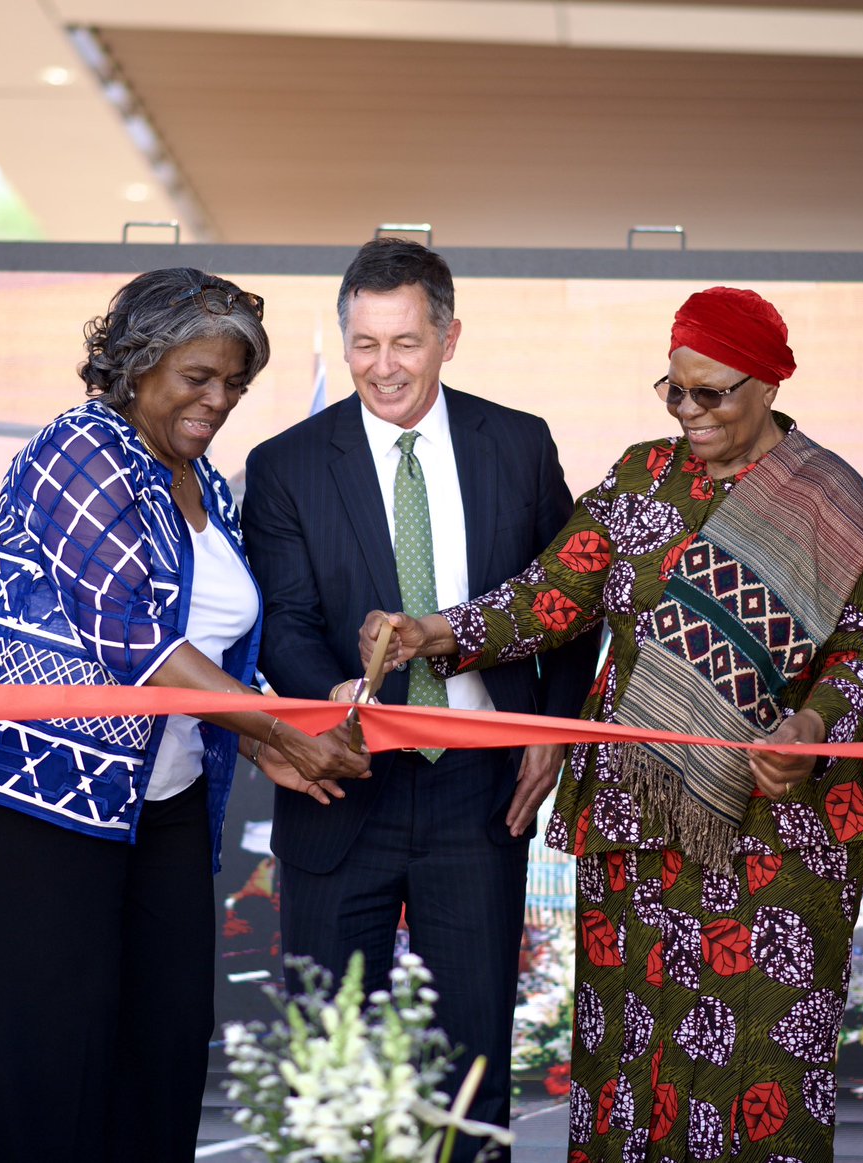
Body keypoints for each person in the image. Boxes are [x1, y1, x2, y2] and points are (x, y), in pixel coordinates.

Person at [362, 286, 863, 1162]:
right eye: (675, 390)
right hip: (641, 816)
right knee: (634, 1047)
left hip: (779, 824)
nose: (689, 412)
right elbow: (551, 597)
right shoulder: (641, 478)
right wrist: (431, 631)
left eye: (713, 393)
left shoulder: (826, 498)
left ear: (769, 384)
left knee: (758, 1060)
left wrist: (810, 723)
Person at [0, 268, 371, 1163]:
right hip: (30, 793)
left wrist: (270, 735)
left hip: (158, 797)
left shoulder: (208, 487)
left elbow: (221, 653)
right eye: (198, 376)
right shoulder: (80, 448)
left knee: (161, 1050)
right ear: (135, 361)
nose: (219, 399)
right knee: (47, 1062)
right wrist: (277, 732)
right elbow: (135, 641)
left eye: (234, 382)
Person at [241, 238, 599, 1156]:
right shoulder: (283, 464)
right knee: (332, 1064)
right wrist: (332, 698)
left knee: (469, 1066)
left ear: (449, 337)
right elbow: (280, 620)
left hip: (476, 792)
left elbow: (570, 605)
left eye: (404, 342)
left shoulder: (517, 444)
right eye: (363, 343)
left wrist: (553, 732)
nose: (382, 366)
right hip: (340, 780)